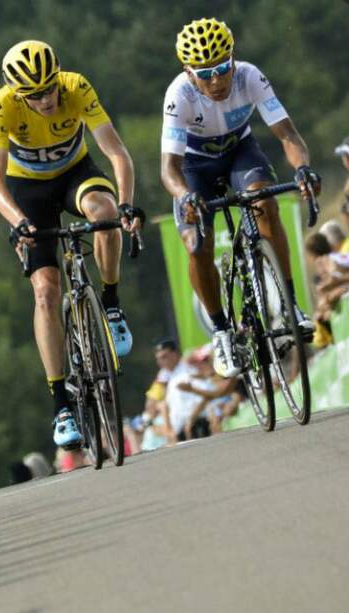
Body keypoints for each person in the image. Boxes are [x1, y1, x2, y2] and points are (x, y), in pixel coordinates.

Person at [0, 40, 143, 449]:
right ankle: (61, 405)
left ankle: (110, 303)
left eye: (49, 88)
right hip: (28, 194)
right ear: (19, 95)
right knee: (45, 291)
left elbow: (118, 154)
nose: (46, 99)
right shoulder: (4, 105)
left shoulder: (76, 87)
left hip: (75, 174)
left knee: (103, 212)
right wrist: (18, 222)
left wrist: (126, 206)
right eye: (34, 95)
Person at [160, 17, 320, 379]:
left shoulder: (249, 76)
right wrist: (186, 196)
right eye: (205, 73)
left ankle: (290, 304)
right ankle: (220, 332)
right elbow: (168, 169)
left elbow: (288, 134)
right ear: (188, 72)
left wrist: (302, 169)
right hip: (193, 167)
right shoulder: (179, 96)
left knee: (265, 203)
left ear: (232, 60)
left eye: (222, 68)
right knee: (196, 243)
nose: (216, 81)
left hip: (239, 151)